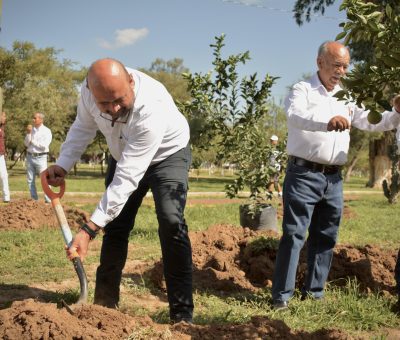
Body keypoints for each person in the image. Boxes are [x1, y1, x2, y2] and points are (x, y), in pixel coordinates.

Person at [46, 58, 193, 323]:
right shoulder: (89, 92)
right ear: (92, 92)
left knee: (171, 222)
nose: (113, 109)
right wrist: (64, 164)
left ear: (131, 83)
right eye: (105, 104)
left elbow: (127, 178)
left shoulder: (152, 107)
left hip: (167, 156)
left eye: (119, 100)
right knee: (116, 227)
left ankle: (181, 314)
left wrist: (89, 229)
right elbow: (83, 126)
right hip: (124, 152)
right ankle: (105, 306)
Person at [271, 41, 400, 310]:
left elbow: (370, 120)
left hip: (333, 179)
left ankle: (314, 292)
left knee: (326, 236)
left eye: (346, 66)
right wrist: (326, 122)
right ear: (320, 63)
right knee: (294, 234)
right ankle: (281, 297)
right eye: (337, 65)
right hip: (303, 173)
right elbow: (295, 116)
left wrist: (396, 112)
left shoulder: (347, 96)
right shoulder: (303, 89)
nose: (341, 71)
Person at [24, 113, 52, 203]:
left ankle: (48, 200)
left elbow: (44, 146)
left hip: (41, 157)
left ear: (41, 120)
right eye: (33, 118)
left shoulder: (47, 131)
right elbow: (26, 144)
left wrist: (33, 141)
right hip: (30, 156)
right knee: (30, 180)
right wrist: (28, 134)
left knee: (45, 179)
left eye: (35, 118)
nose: (33, 120)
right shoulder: (31, 130)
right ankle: (34, 200)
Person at [0, 111, 10, 203]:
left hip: (1, 155)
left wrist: (4, 151)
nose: (5, 118)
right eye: (3, 116)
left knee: (4, 175)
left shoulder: (2, 127)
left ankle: (6, 198)